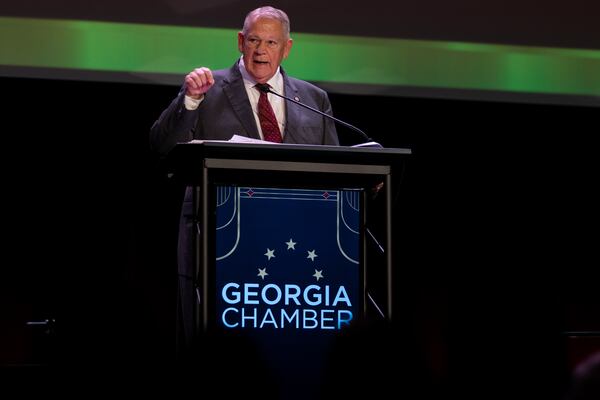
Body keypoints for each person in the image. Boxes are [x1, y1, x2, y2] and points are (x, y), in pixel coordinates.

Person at [149, 6, 340, 354]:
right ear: (240, 41)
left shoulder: (313, 99)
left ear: (287, 48)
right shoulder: (207, 89)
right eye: (253, 39)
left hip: (296, 245)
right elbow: (161, 145)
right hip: (221, 238)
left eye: (270, 41)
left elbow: (334, 174)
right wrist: (189, 100)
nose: (260, 50)